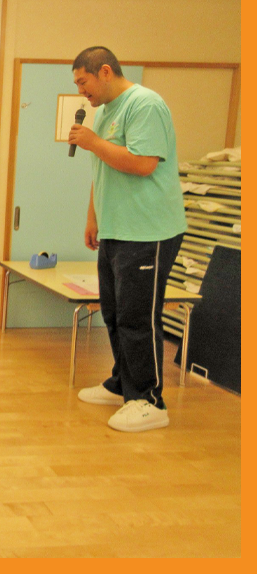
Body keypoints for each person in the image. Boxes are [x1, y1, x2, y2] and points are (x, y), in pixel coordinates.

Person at [69, 46, 187, 433]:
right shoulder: (105, 111)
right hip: (116, 228)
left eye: (83, 82)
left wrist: (92, 142)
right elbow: (102, 167)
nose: (81, 91)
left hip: (148, 230)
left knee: (138, 317)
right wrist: (93, 217)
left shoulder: (145, 104)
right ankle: (124, 384)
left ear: (105, 71)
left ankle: (149, 400)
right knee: (114, 313)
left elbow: (143, 163)